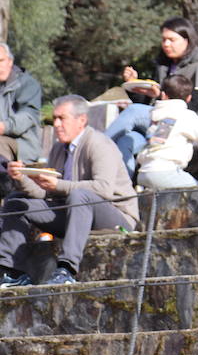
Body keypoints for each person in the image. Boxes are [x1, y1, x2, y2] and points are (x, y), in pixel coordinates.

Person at [0, 96, 138, 287]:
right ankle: (11, 273)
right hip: (73, 212)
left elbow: (103, 189)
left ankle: (66, 270)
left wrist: (58, 185)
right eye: (54, 119)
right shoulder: (58, 149)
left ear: (81, 120)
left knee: (79, 195)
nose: (56, 124)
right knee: (16, 202)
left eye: (62, 118)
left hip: (116, 217)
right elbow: (44, 194)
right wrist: (20, 177)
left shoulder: (99, 144)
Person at [107, 18, 198, 173]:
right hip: (159, 128)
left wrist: (160, 97)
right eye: (164, 40)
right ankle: (123, 189)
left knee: (134, 111)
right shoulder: (164, 66)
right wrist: (133, 86)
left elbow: (192, 107)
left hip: (186, 127)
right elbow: (148, 103)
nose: (166, 44)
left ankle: (96, 145)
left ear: (187, 40)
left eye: (172, 40)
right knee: (126, 141)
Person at [134, 74, 198, 190]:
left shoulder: (155, 115)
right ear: (189, 98)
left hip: (144, 171)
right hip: (166, 171)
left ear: (163, 95)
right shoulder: (185, 116)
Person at [0, 43, 42, 165]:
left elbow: (27, 117)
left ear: (10, 61)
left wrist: (3, 127)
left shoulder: (27, 84)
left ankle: (5, 182)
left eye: (1, 60)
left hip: (22, 145)